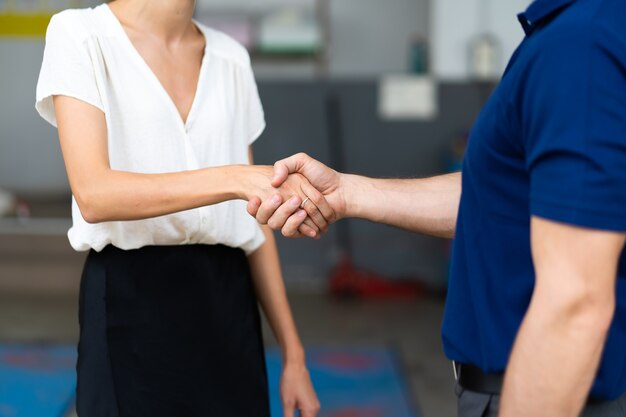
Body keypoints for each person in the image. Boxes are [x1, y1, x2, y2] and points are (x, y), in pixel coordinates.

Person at [247, 0, 626, 415]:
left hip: (544, 391)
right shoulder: (576, 31)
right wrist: (348, 192)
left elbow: (576, 301)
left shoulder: (579, 44)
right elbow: (503, 200)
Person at [35, 0, 331, 416]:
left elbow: (254, 226)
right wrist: (232, 179)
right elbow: (94, 194)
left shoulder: (231, 58)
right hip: (129, 303)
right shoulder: (81, 35)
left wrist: (294, 355)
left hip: (227, 305)